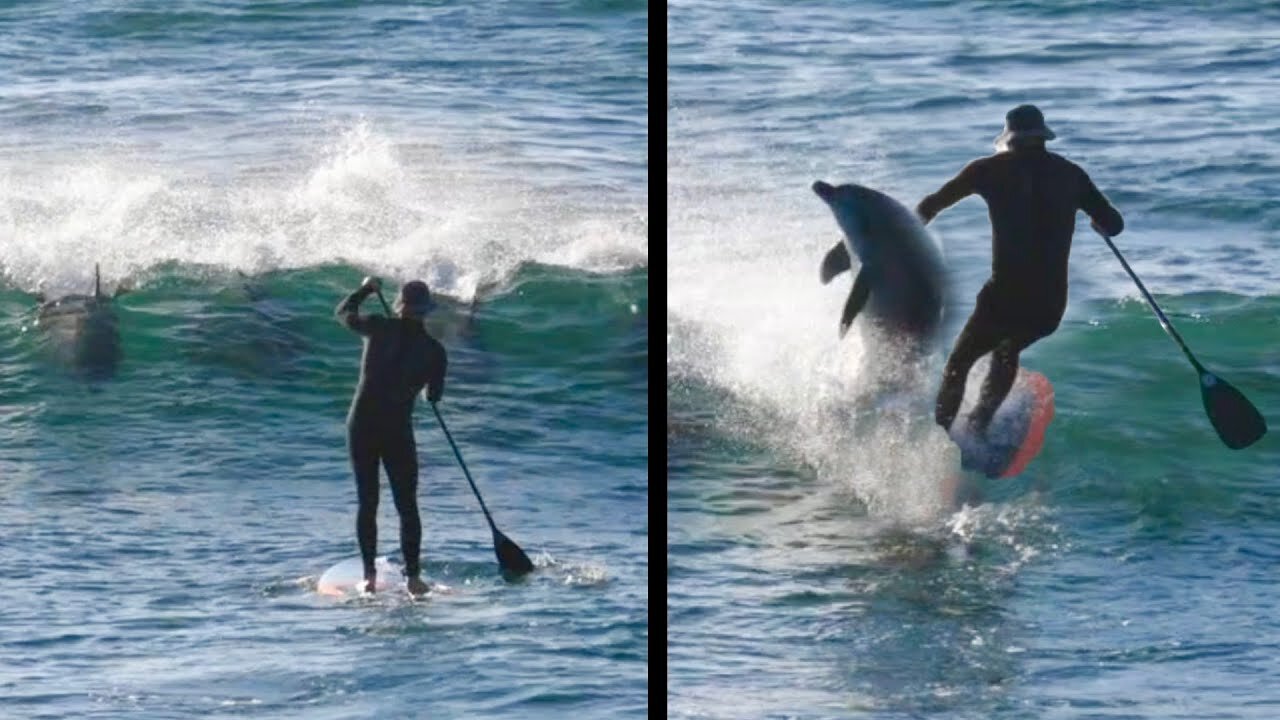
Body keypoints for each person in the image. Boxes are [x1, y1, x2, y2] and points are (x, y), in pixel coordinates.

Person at [916, 104, 1125, 435]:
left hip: (1005, 295)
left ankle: (941, 435)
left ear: (1009, 140)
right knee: (1008, 349)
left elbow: (932, 205)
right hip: (1051, 301)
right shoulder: (1071, 174)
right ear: (1042, 138)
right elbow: (1114, 224)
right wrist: (1098, 219)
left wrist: (905, 232)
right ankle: (978, 426)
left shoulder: (987, 170)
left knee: (960, 363)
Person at [336, 276, 447, 596]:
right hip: (397, 430)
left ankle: (369, 578)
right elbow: (434, 396)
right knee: (407, 505)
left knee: (367, 501)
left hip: (362, 426)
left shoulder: (378, 327)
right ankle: (413, 579)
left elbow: (343, 312)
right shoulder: (435, 352)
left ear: (400, 305)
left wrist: (366, 290)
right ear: (426, 311)